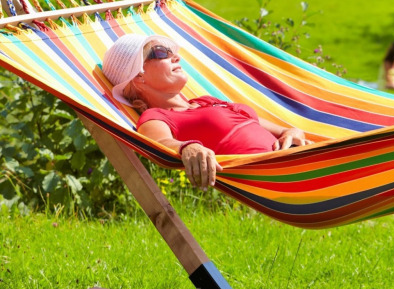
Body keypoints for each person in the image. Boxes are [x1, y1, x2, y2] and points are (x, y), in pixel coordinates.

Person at [102, 34, 313, 190]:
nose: (175, 57)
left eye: (173, 52)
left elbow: (286, 131)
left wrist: (293, 134)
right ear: (138, 77)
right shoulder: (157, 116)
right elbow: (160, 143)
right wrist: (188, 147)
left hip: (302, 162)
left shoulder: (206, 101)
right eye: (161, 52)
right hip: (276, 176)